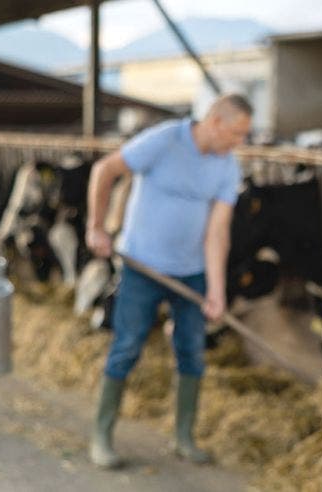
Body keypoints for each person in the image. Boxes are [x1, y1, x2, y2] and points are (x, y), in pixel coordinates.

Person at [85, 94, 252, 467]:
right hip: (142, 266)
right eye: (237, 133)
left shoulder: (228, 167)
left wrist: (216, 290)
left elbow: (217, 232)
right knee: (127, 346)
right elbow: (105, 169)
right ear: (215, 121)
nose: (240, 142)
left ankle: (183, 437)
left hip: (190, 272)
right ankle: (101, 437)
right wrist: (96, 226)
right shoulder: (164, 140)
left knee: (192, 352)